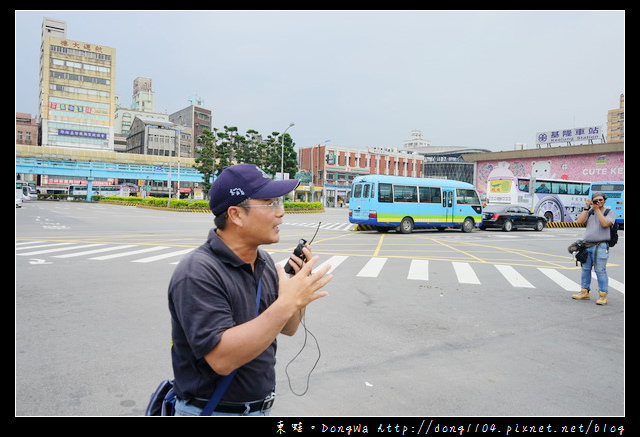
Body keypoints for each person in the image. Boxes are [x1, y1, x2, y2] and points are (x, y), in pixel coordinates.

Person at [168, 163, 333, 416]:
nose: (281, 213)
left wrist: (298, 292)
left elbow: (287, 328)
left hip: (259, 409)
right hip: (212, 411)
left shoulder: (264, 262)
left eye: (280, 203)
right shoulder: (198, 272)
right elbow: (222, 359)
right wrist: (287, 302)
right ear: (236, 214)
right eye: (270, 203)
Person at [571, 191, 615, 305]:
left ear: (604, 200)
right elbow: (579, 221)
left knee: (600, 271)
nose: (598, 202)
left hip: (601, 246)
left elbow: (605, 224)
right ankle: (584, 291)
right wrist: (587, 208)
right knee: (585, 269)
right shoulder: (590, 212)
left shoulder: (609, 212)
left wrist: (597, 210)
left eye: (601, 200)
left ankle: (603, 295)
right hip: (587, 245)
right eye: (596, 200)